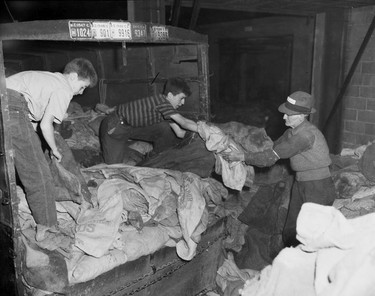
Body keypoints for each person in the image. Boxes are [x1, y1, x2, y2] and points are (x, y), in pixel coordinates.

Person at [222, 91, 337, 247]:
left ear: (301, 116)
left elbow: (271, 158)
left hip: (318, 187)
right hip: (301, 183)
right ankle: (289, 259)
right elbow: (273, 147)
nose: (284, 117)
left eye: (288, 114)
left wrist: (242, 157)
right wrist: (243, 146)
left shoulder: (305, 136)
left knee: (313, 234)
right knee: (291, 228)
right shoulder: (291, 132)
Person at [6, 58, 98, 248]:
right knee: (37, 173)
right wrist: (55, 150)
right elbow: (46, 124)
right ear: (72, 77)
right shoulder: (63, 87)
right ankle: (48, 227)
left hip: (9, 103)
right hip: (10, 106)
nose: (81, 93)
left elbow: (32, 122)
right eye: (82, 87)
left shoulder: (48, 80)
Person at [99, 77, 199, 164]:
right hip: (114, 126)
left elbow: (179, 133)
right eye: (181, 98)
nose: (183, 103)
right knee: (114, 170)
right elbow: (183, 122)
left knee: (164, 128)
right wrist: (204, 130)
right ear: (170, 95)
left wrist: (198, 136)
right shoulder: (162, 102)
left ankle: (152, 159)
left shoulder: (167, 111)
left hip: (129, 127)